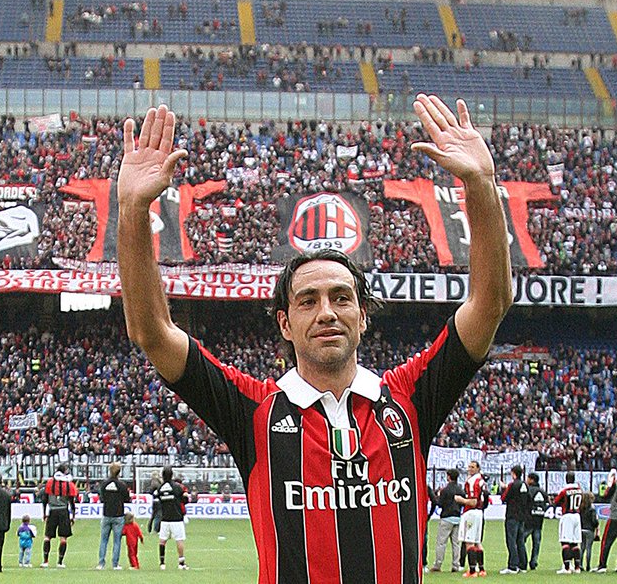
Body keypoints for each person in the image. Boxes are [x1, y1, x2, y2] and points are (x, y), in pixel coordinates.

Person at [116, 96, 512, 584]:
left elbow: (490, 303)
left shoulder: (409, 401)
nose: (327, 312)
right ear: (284, 323)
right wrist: (134, 210)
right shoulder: (256, 413)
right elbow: (151, 333)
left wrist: (482, 185)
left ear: (363, 316)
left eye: (341, 298)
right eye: (308, 301)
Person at [41, 464, 78, 568]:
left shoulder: (49, 483)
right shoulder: (69, 484)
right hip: (63, 512)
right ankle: (60, 562)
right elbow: (72, 502)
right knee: (63, 538)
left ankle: (45, 561)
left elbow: (45, 499)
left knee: (47, 536)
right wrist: (73, 515)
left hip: (52, 511)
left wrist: (44, 513)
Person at [456, 460, 488, 577]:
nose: (470, 469)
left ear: (478, 469)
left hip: (471, 512)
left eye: (473, 467)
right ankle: (482, 569)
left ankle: (472, 570)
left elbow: (473, 501)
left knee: (469, 542)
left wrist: (461, 500)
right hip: (480, 512)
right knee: (477, 542)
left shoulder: (472, 481)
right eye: (469, 466)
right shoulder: (481, 481)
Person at [97, 462, 131, 570]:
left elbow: (101, 498)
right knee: (117, 540)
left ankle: (101, 563)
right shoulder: (122, 485)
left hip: (106, 513)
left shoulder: (104, 484)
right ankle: (115, 564)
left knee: (103, 540)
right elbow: (127, 499)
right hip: (118, 515)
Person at [155, 467, 190, 571]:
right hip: (176, 517)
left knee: (162, 540)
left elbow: (160, 500)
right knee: (179, 540)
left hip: (165, 517)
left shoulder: (160, 488)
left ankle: (162, 563)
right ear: (172, 475)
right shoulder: (177, 487)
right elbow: (185, 499)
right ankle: (181, 563)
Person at [430, 469, 463, 573]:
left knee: (441, 543)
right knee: (456, 543)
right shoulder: (460, 490)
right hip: (457, 517)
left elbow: (439, 503)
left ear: (449, 477)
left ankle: (438, 564)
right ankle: (455, 565)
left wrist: (437, 495)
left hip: (446, 517)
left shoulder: (445, 490)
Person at [552, 470, 584, 573]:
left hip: (567, 516)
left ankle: (566, 568)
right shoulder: (579, 490)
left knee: (565, 542)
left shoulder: (565, 490)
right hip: (577, 516)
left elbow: (556, 501)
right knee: (575, 542)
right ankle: (577, 567)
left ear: (566, 479)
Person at [500, 464, 529, 574]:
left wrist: (503, 489)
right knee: (520, 541)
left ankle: (512, 565)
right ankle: (523, 564)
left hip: (512, 515)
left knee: (511, 540)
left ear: (513, 473)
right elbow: (528, 500)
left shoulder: (512, 485)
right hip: (521, 516)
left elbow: (504, 498)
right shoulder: (525, 485)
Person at [521, 473, 548, 571]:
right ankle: (534, 562)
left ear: (532, 480)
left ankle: (522, 560)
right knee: (536, 543)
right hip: (539, 521)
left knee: (521, 540)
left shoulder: (529, 490)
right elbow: (547, 504)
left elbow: (524, 503)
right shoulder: (543, 492)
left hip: (529, 520)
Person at [580, 492, 599, 573]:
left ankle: (579, 564)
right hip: (589, 530)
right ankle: (588, 565)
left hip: (581, 529)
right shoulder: (592, 509)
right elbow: (594, 521)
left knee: (582, 548)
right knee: (589, 548)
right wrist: (596, 525)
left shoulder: (581, 508)